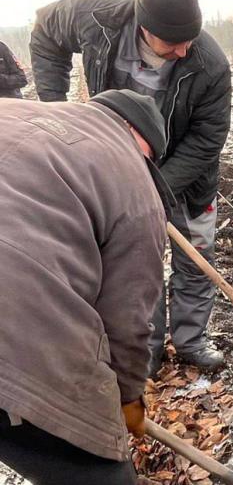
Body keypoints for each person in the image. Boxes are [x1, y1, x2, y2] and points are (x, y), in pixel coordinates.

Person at [31, 0, 232, 371]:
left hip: (186, 178)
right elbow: (45, 34)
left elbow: (207, 141)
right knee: (137, 261)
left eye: (190, 39)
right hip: (116, 165)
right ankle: (146, 350)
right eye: (172, 42)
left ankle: (192, 341)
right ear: (145, 27)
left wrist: (156, 187)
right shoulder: (97, 18)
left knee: (196, 257)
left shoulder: (210, 65)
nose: (183, 49)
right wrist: (55, 107)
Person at [0, 90, 168, 485]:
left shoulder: (14, 111)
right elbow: (127, 321)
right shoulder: (135, 182)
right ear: (138, 137)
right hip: (15, 327)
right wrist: (126, 399)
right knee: (100, 472)